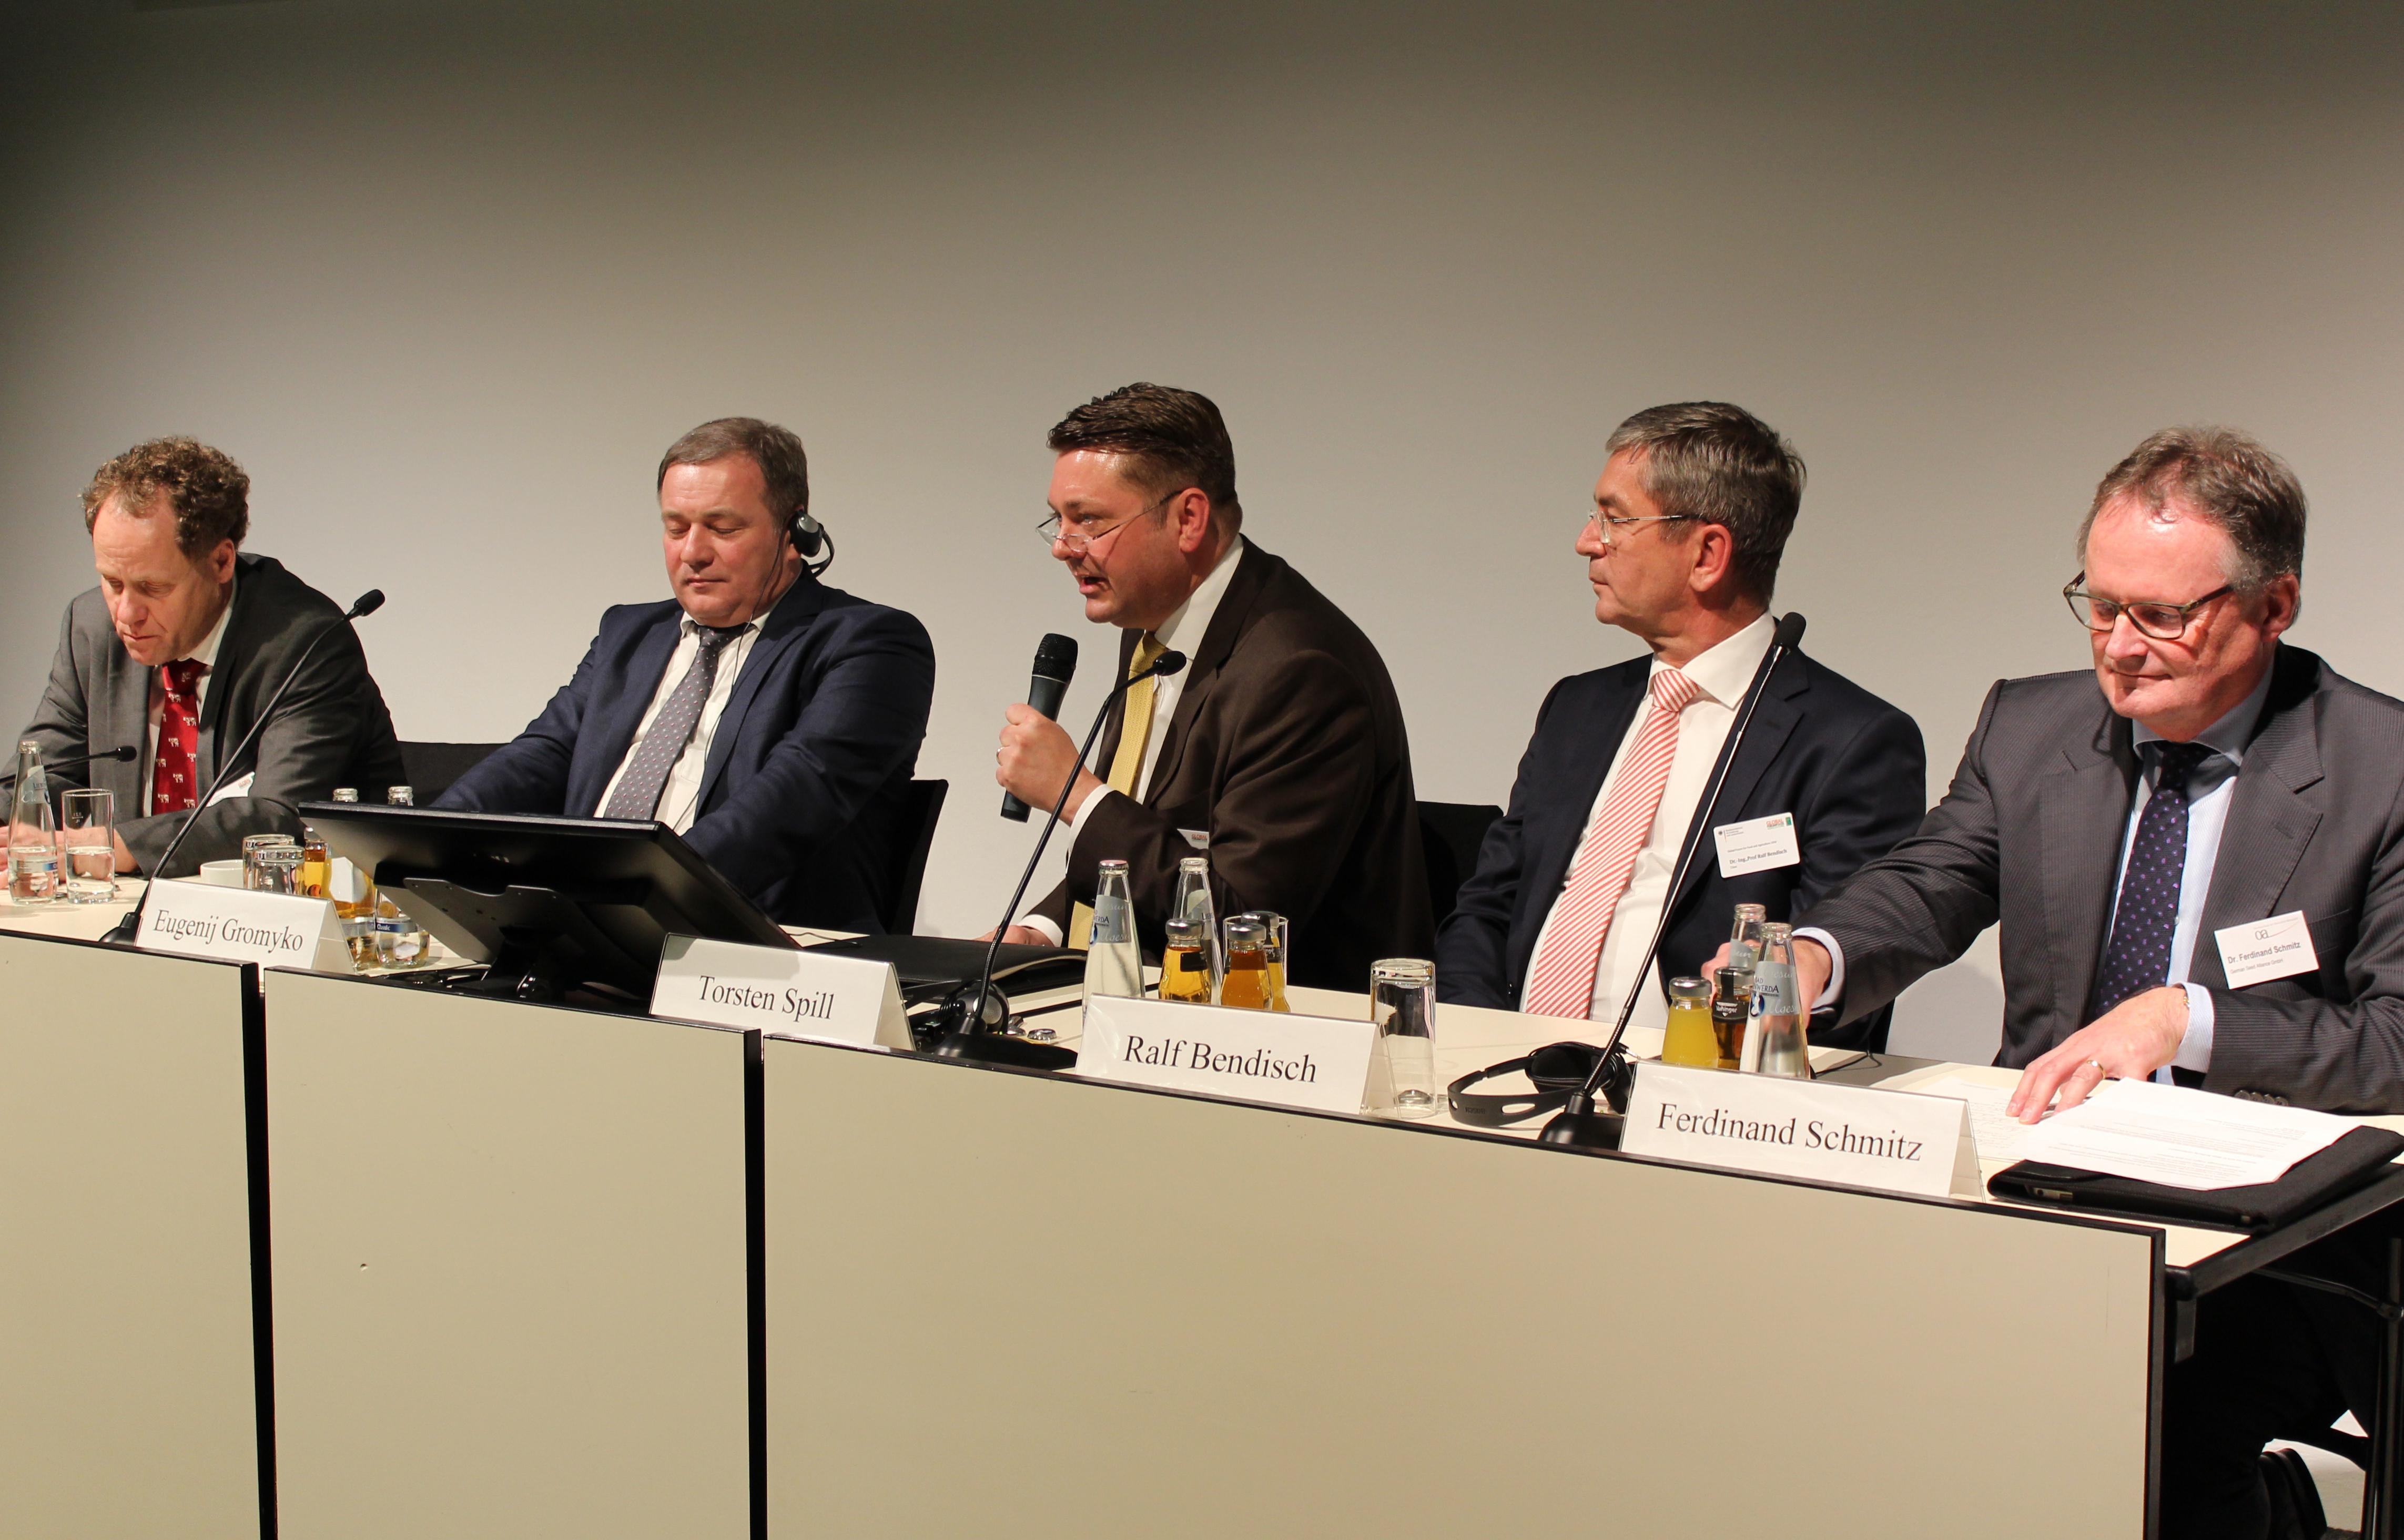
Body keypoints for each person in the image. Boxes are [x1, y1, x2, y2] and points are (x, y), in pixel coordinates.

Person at [1753, 427, 2404, 1540]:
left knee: (2151, 1431)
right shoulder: (2033, 724)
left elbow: (2391, 1041)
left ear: (2274, 604)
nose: (2119, 647)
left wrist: (2186, 1019)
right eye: (2098, 606)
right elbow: (1930, 882)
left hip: (2278, 1234)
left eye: (2161, 613)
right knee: (1836, 1355)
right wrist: (1815, 957)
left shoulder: (2376, 767)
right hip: (2043, 1187)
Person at [1436, 403, 1925, 1047]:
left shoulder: (1851, 742)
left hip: (1695, 1085)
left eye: (1614, 518)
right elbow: (1486, 905)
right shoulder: (1577, 708)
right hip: (1504, 1067)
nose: (1587, 541)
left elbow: (1835, 970)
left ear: (1706, 554)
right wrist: (1478, 1041)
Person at [990, 382, 1432, 990]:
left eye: (1088, 520)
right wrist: (1041, 929)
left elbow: (1240, 919)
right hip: (1153, 1003)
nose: (1063, 548)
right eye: (1058, 519)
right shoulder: (1154, 626)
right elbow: (1149, 837)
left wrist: (1075, 796)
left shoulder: (1301, 672)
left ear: (1188, 519)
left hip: (1279, 1028)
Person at [437, 417, 935, 933]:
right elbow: (544, 754)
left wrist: (631, 895)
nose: (693, 552)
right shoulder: (628, 634)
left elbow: (796, 795)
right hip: (586, 935)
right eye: (676, 528)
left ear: (795, 534)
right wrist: (432, 841)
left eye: (723, 528)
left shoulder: (871, 643)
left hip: (749, 944)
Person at [20, 436, 403, 876]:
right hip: (124, 902)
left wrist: (118, 845)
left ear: (221, 561)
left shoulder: (306, 643)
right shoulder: (92, 628)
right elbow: (37, 780)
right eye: (112, 582)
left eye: (153, 587)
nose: (126, 614)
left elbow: (279, 817)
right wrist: (20, 828)